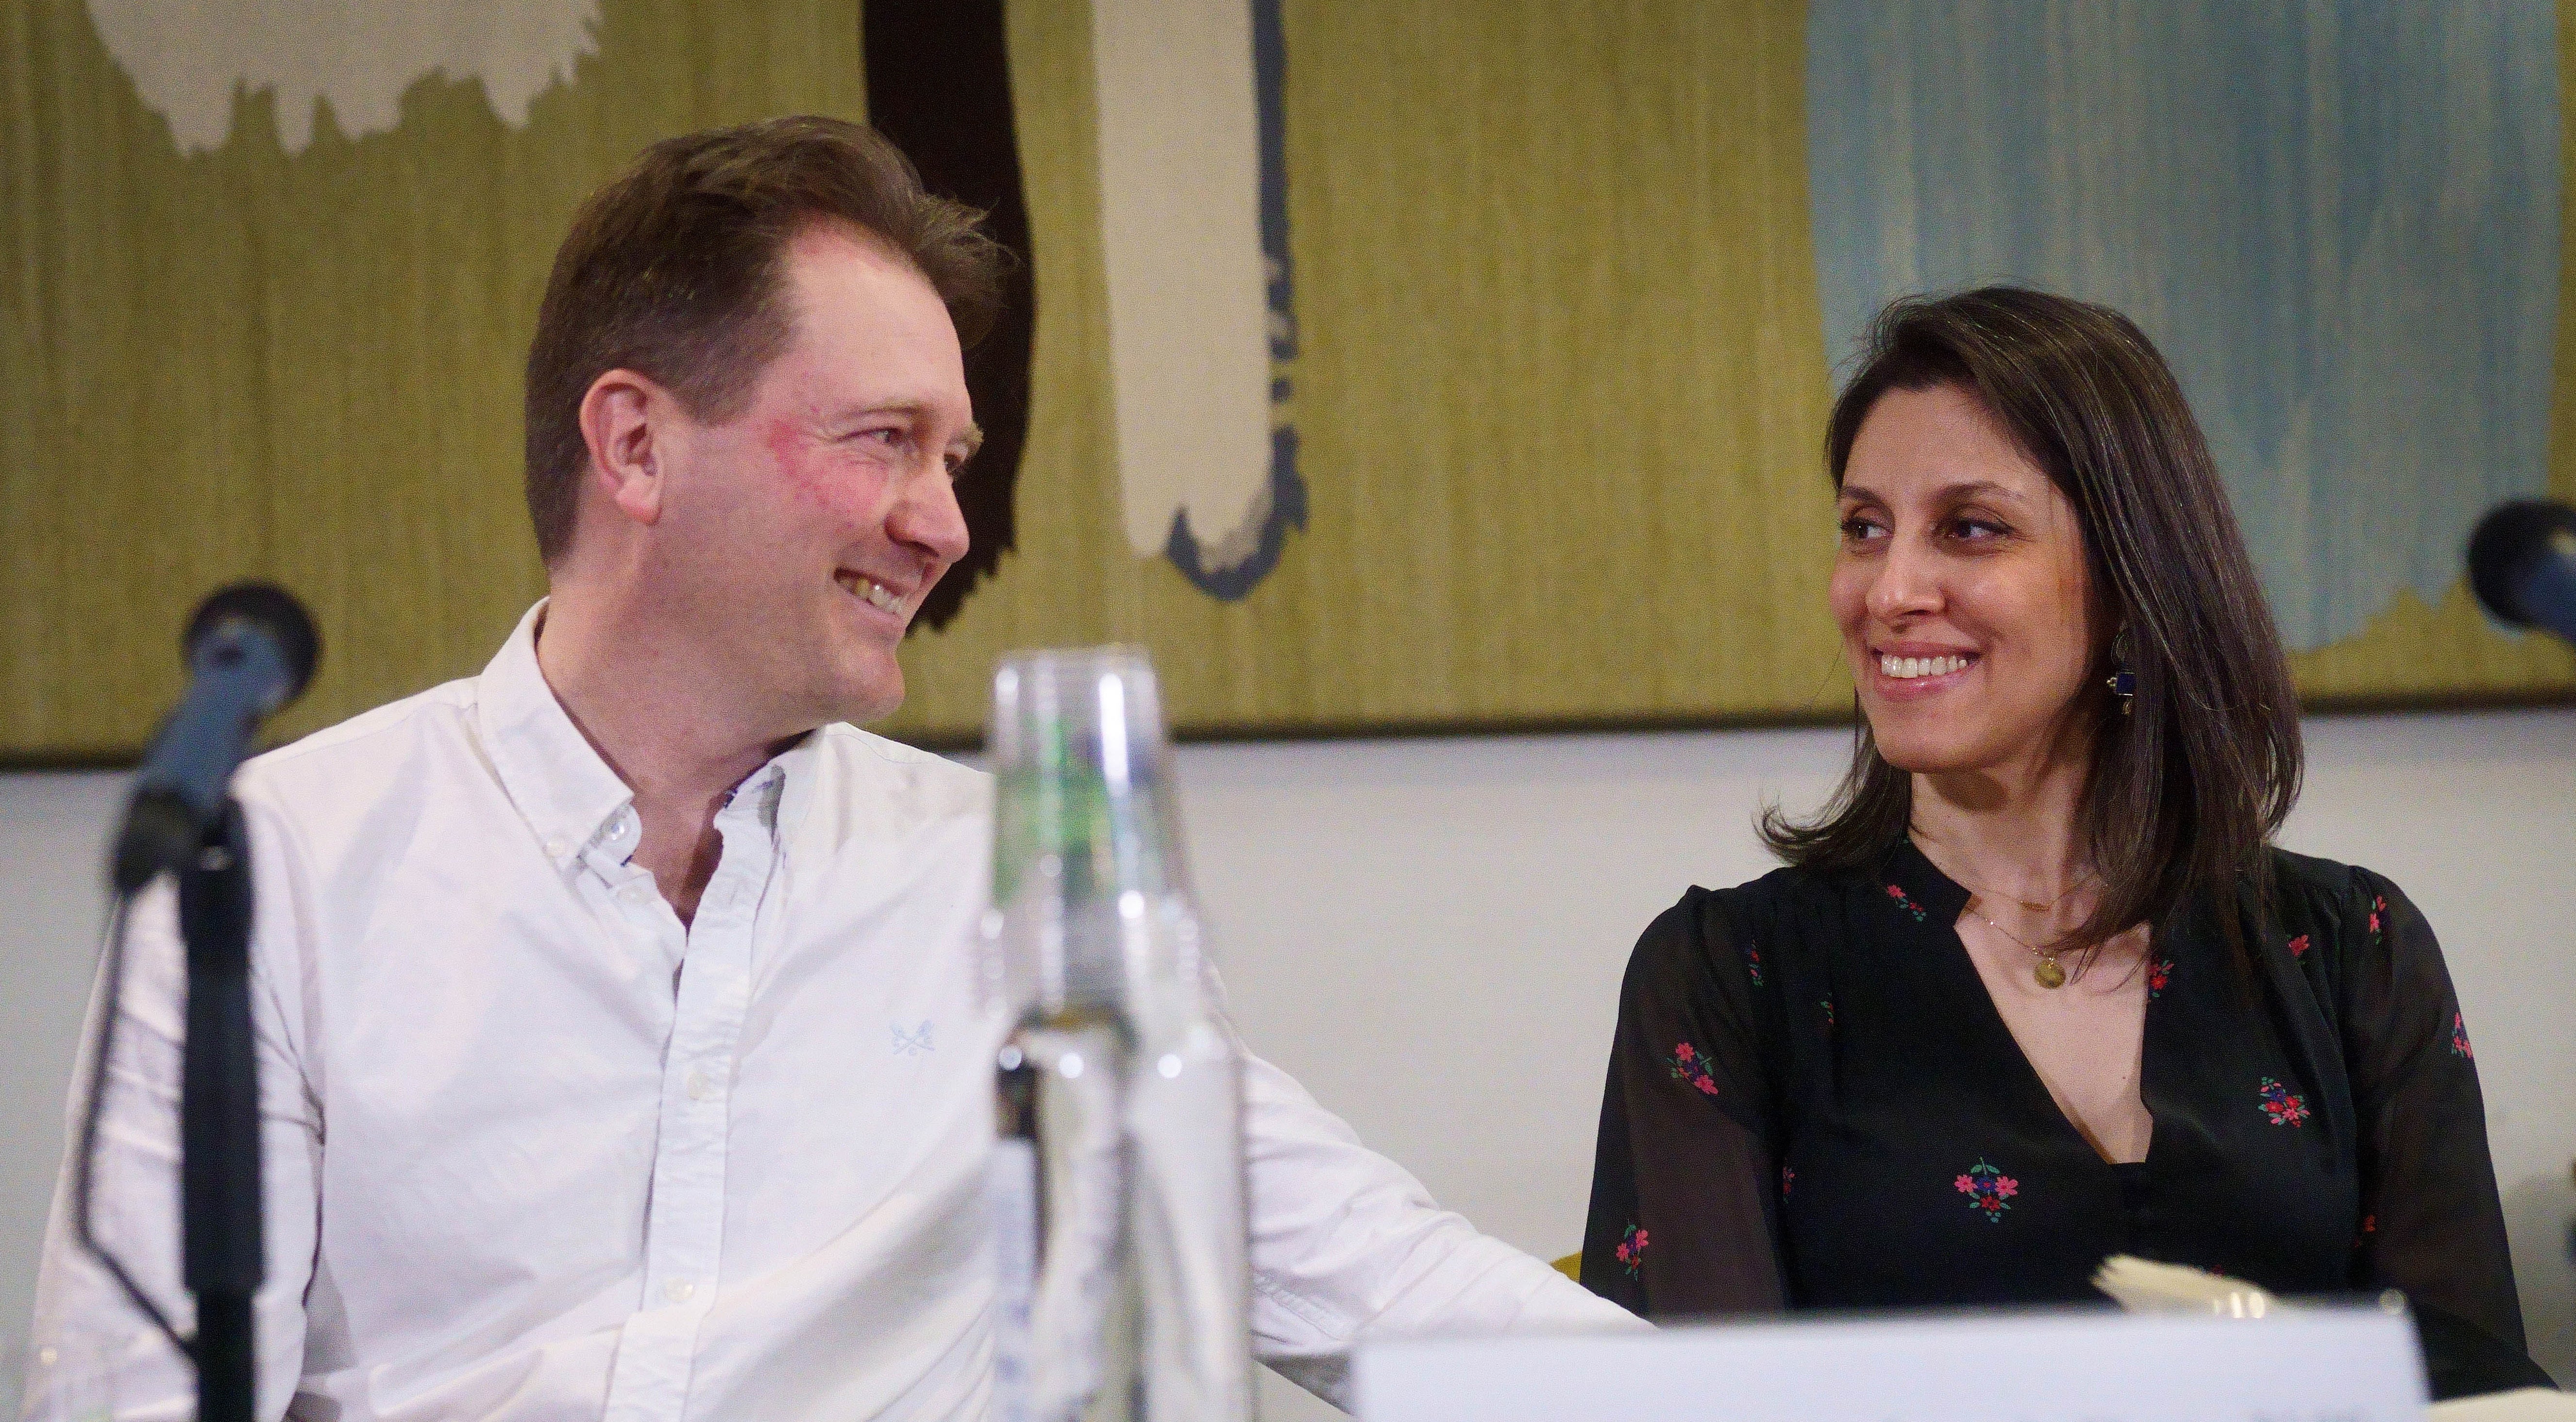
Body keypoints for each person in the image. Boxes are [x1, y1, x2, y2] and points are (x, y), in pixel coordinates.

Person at [24, 116, 1633, 1421]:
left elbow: (1381, 1289)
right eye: (884, 440)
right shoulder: (279, 866)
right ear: (637, 445)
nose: (942, 523)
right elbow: (128, 1395)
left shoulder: (1018, 875)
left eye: (954, 459)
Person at [1579, 286, 2549, 1399]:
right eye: (1863, 528)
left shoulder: (2350, 950)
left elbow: (2479, 1396)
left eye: (1970, 528)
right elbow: (1698, 1410)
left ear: (2136, 577)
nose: (1888, 591)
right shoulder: (1725, 974)